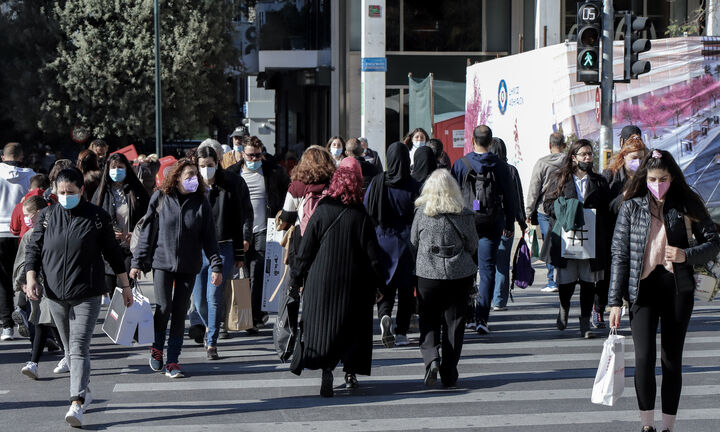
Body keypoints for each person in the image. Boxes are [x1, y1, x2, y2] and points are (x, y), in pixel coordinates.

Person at [608, 149, 720, 432]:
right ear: (645, 177)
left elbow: (714, 242)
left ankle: (668, 427)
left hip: (677, 290)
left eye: (663, 178)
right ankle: (647, 425)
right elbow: (619, 255)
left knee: (671, 360)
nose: (658, 184)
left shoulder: (686, 203)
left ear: (672, 177)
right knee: (644, 358)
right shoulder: (630, 207)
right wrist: (614, 302)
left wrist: (686, 254)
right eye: (652, 178)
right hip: (641, 291)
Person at [24, 167, 132, 427]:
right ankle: (85, 390)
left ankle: (77, 403)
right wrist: (30, 278)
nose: (65, 196)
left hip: (87, 293)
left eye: (70, 192)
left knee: (79, 346)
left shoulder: (97, 217)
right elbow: (34, 249)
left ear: (81, 190)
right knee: (69, 348)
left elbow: (113, 254)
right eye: (60, 192)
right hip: (54, 294)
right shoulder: (48, 216)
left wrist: (125, 286)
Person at [289, 166, 386, 397]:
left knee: (324, 326)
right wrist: (380, 285)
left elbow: (305, 251)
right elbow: (374, 256)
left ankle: (326, 368)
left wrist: (296, 278)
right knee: (353, 328)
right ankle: (350, 373)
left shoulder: (322, 211)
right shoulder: (361, 214)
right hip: (355, 283)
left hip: (321, 281)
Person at [130, 158, 223, 378]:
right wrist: (137, 262)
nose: (193, 178)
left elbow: (210, 238)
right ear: (177, 177)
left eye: (195, 175)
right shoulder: (161, 198)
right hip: (162, 262)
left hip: (189, 265)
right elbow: (147, 233)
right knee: (163, 308)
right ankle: (156, 348)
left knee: (180, 312)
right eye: (188, 175)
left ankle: (172, 360)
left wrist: (216, 265)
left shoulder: (201, 202)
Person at [411, 169, 478, 388]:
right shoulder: (465, 214)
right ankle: (449, 372)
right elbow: (472, 245)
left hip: (428, 274)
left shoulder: (422, 213)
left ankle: (431, 358)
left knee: (428, 318)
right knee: (454, 323)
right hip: (458, 275)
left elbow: (413, 242)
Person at [542, 139, 611, 338]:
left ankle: (584, 323)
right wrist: (567, 209)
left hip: (591, 238)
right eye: (583, 154)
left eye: (590, 154)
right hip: (567, 236)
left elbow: (606, 209)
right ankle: (564, 307)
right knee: (566, 280)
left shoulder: (599, 181)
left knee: (589, 282)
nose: (588, 158)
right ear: (574, 157)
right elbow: (547, 205)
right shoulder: (560, 178)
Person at [451, 126, 515, 334]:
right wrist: (509, 223)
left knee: (466, 271)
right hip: (491, 223)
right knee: (487, 271)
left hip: (465, 223)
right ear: (490, 142)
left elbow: (452, 195)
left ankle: (467, 314)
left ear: (472, 139)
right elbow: (510, 196)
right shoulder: (500, 166)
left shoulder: (461, 164)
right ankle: (482, 318)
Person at [192, 146, 252, 359]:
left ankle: (212, 342)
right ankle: (210, 326)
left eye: (210, 165)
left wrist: (239, 251)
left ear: (217, 163)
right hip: (197, 249)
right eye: (202, 166)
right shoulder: (192, 184)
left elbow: (241, 217)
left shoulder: (232, 183)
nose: (206, 170)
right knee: (199, 301)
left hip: (223, 246)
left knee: (214, 296)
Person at [228, 137, 289, 333]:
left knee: (258, 270)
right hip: (239, 231)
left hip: (265, 229)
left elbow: (285, 195)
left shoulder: (274, 172)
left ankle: (253, 317)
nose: (254, 158)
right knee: (243, 273)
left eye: (258, 154)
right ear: (242, 154)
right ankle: (245, 316)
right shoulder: (232, 174)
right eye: (250, 155)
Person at [365, 142, 421, 347]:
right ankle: (401, 332)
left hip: (382, 240)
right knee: (406, 290)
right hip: (407, 242)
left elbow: (367, 208)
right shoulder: (413, 184)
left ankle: (384, 314)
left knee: (385, 284)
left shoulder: (378, 181)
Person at [594, 136, 648, 328]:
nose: (638, 162)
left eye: (642, 157)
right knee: (609, 274)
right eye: (634, 157)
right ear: (623, 157)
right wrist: (622, 198)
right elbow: (603, 207)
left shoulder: (649, 176)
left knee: (635, 273)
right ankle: (599, 308)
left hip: (639, 233)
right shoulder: (611, 177)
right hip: (613, 233)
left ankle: (636, 312)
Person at [14, 195, 62, 380]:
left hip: (56, 285)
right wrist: (23, 282)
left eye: (29, 215)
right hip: (39, 285)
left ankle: (62, 357)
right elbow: (24, 262)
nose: (26, 219)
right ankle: (34, 363)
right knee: (44, 321)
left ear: (40, 213)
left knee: (51, 322)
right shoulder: (29, 235)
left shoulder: (56, 230)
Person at [93, 152, 150, 304]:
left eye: (120, 167)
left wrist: (137, 234)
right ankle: (117, 327)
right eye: (113, 167)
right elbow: (92, 220)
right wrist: (108, 232)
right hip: (108, 252)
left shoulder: (137, 191)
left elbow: (149, 218)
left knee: (124, 293)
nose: (117, 170)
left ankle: (127, 326)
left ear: (127, 169)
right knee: (113, 296)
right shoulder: (101, 193)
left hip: (130, 251)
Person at [1, 142, 36, 341]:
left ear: (3, 157)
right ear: (21, 156)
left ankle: (7, 327)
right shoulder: (30, 175)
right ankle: (28, 315)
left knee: (3, 281)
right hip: (24, 234)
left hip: (0, 233)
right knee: (27, 276)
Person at [525, 132, 567, 293]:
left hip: (544, 210)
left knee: (549, 244)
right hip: (564, 208)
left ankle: (552, 280)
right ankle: (564, 277)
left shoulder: (541, 163)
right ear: (564, 145)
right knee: (564, 242)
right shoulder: (569, 162)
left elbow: (534, 189)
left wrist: (528, 211)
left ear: (550, 145)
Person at [488, 137, 527, 311]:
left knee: (486, 263)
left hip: (484, 221)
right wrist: (521, 220)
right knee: (502, 263)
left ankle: (483, 299)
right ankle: (499, 301)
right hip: (506, 220)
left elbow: (474, 198)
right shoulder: (511, 170)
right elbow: (517, 197)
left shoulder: (483, 169)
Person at [9, 174, 50, 239]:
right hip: (47, 243)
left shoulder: (20, 206)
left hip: (24, 243)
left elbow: (15, 231)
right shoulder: (53, 205)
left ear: (30, 189)